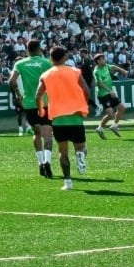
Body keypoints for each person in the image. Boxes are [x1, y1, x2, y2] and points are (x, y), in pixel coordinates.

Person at [38, 46, 93, 190]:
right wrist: (83, 104)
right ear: (65, 58)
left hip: (58, 119)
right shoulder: (75, 72)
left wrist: (41, 108)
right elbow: (86, 90)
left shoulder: (46, 75)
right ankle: (80, 156)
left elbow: (38, 94)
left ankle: (68, 182)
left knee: (63, 152)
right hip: (75, 116)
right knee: (81, 147)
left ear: (51, 59)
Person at [12, 40, 55, 176]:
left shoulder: (20, 63)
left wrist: (19, 96)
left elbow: (12, 81)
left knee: (36, 134)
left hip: (29, 103)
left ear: (27, 49)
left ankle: (40, 163)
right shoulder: (46, 62)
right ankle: (47, 161)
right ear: (39, 49)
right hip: (45, 102)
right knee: (47, 134)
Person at [92, 54, 124, 139]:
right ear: (98, 61)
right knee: (110, 114)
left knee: (122, 108)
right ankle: (100, 128)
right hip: (103, 95)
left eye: (104, 58)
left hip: (109, 93)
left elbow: (114, 67)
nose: (104, 60)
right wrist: (110, 91)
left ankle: (115, 125)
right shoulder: (96, 71)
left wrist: (122, 70)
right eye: (102, 59)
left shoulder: (106, 66)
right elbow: (100, 83)